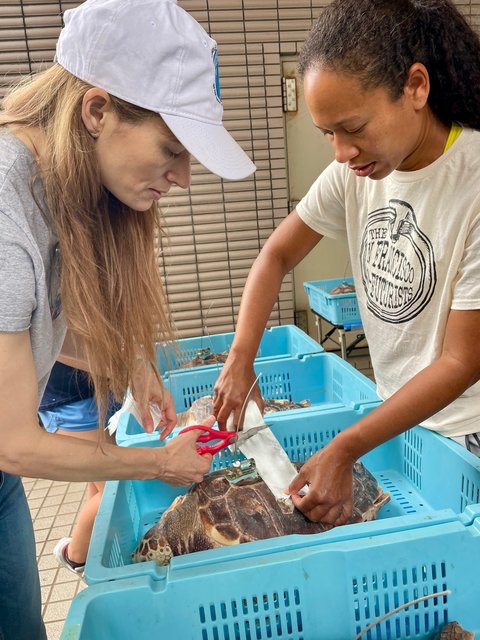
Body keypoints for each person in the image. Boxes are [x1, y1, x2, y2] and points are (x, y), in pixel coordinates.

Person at [0, 0, 255, 638]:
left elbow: (41, 319)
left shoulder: (47, 186)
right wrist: (157, 464)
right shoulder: (7, 215)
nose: (184, 178)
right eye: (171, 148)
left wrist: (132, 364)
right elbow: (13, 441)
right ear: (97, 110)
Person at [213, 0, 480, 526]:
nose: (341, 152)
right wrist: (242, 356)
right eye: (327, 134)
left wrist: (345, 447)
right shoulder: (355, 174)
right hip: (397, 418)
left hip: (464, 432)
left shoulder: (471, 183)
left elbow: (461, 361)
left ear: (417, 87)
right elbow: (276, 254)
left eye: (352, 127)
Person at [39, 362, 121, 577]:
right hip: (68, 399)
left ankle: (93, 541)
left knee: (99, 479)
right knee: (115, 491)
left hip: (98, 389)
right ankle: (75, 555)